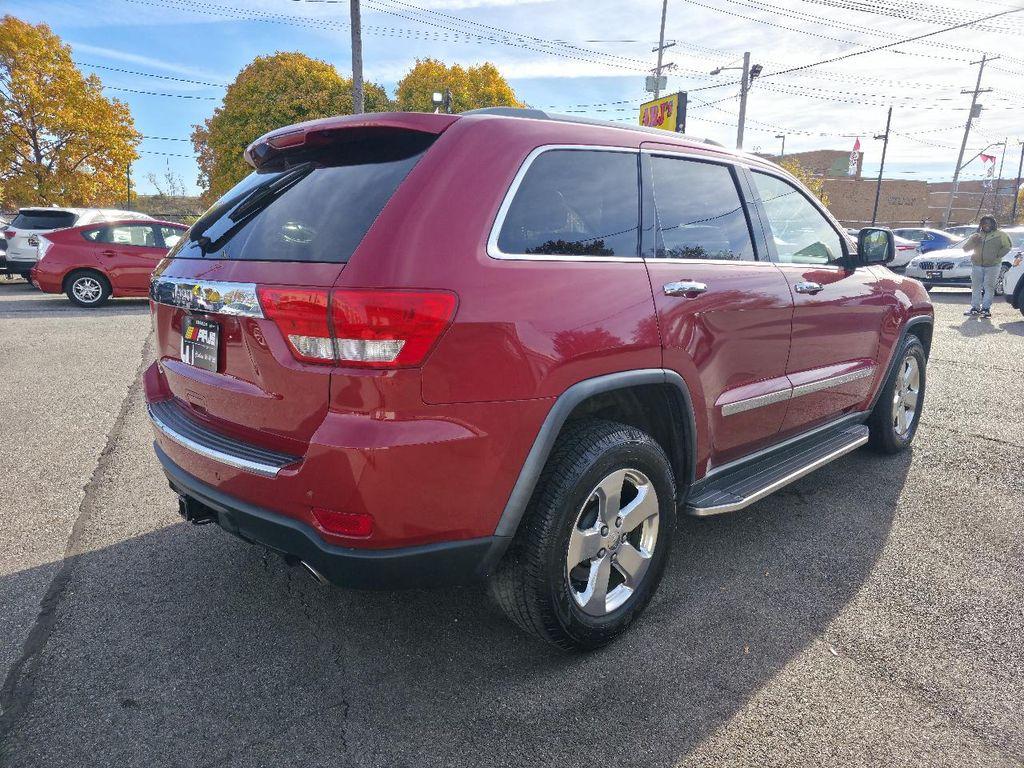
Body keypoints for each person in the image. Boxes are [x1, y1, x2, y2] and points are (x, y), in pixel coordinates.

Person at [962, 215, 1011, 319]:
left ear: (993, 224)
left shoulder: (1000, 234)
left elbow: (1008, 246)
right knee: (976, 287)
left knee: (989, 287)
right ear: (981, 224)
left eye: (989, 223)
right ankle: (975, 308)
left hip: (993, 266)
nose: (986, 225)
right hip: (977, 265)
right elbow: (965, 248)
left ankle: (986, 309)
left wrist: (997, 256)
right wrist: (974, 241)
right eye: (984, 223)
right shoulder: (977, 235)